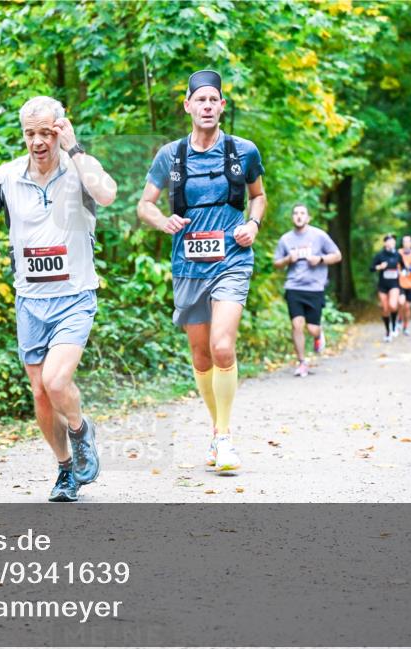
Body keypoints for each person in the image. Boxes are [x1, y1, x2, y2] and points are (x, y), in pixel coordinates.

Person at [0, 96, 117, 501]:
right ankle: (65, 469)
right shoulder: (7, 177)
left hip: (74, 296)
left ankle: (82, 432)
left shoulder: (79, 169)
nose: (38, 141)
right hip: (30, 301)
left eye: (46, 132)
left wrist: (75, 148)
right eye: (31, 133)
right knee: (41, 394)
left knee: (56, 379)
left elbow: (107, 195)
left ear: (60, 130)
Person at [137, 70, 266, 475]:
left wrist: (253, 225)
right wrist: (163, 222)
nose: (207, 107)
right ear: (188, 105)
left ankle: (225, 438)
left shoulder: (243, 151)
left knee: (223, 346)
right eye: (201, 100)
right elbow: (145, 204)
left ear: (222, 106)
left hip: (232, 259)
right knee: (201, 353)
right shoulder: (170, 156)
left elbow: (258, 197)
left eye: (214, 100)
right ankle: (215, 429)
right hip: (188, 264)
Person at [272, 204, 343, 377]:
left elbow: (337, 255)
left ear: (308, 218)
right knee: (297, 325)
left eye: (302, 213)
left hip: (314, 287)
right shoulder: (286, 239)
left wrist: (319, 259)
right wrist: (288, 259)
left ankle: (318, 335)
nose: (299, 216)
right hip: (294, 287)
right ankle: (302, 362)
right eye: (295, 213)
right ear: (292, 218)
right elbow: (276, 263)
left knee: (312, 329)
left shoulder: (319, 236)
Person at [370, 234, 402, 342]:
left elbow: (404, 267)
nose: (392, 243)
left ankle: (394, 324)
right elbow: (371, 268)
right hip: (383, 285)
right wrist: (379, 267)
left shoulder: (397, 255)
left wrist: (402, 272)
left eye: (393, 242)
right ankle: (388, 332)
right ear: (385, 243)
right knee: (385, 309)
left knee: (393, 305)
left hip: (394, 284)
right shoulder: (380, 255)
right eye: (390, 241)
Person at [397, 234, 411, 336]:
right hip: (399, 283)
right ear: (402, 243)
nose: (406, 243)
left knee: (407, 306)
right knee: (401, 303)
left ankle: (405, 327)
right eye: (404, 241)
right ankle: (399, 319)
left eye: (408, 241)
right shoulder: (398, 253)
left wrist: (409, 268)